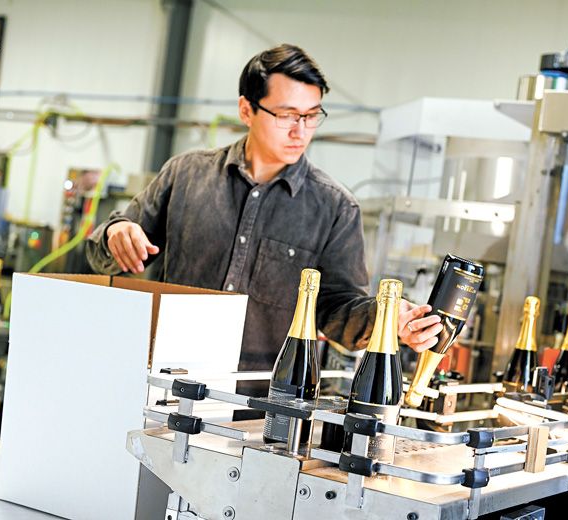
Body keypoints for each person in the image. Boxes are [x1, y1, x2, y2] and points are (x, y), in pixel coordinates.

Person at [86, 44, 441, 395]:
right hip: (162, 388)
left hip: (259, 409)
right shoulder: (185, 175)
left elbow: (337, 309)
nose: (300, 131)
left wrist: (389, 321)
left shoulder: (334, 208)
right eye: (286, 115)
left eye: (311, 115)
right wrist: (116, 233)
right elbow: (104, 253)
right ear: (246, 109)